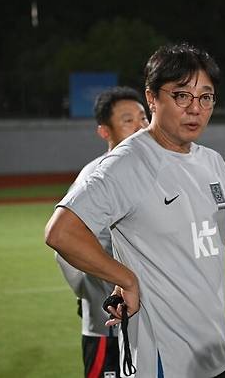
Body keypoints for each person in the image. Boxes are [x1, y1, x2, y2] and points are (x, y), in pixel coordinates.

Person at [45, 43, 225, 378]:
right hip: (163, 361)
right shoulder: (127, 163)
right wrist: (125, 278)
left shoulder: (211, 162)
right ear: (152, 98)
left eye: (205, 97)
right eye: (181, 96)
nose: (195, 109)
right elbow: (61, 232)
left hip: (214, 353)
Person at [55, 86, 148, 378]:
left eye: (143, 117)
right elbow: (63, 244)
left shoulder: (153, 170)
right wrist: (93, 295)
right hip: (107, 324)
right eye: (127, 120)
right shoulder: (96, 176)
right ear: (105, 132)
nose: (140, 126)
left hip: (151, 322)